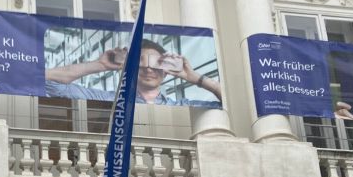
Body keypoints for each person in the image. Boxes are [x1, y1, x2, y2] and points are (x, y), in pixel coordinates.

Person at [44, 38, 222, 106]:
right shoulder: (108, 100)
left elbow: (227, 103)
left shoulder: (180, 106)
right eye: (141, 63)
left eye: (156, 63)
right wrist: (100, 65)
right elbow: (50, 81)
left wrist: (193, 77)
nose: (149, 69)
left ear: (166, 71)